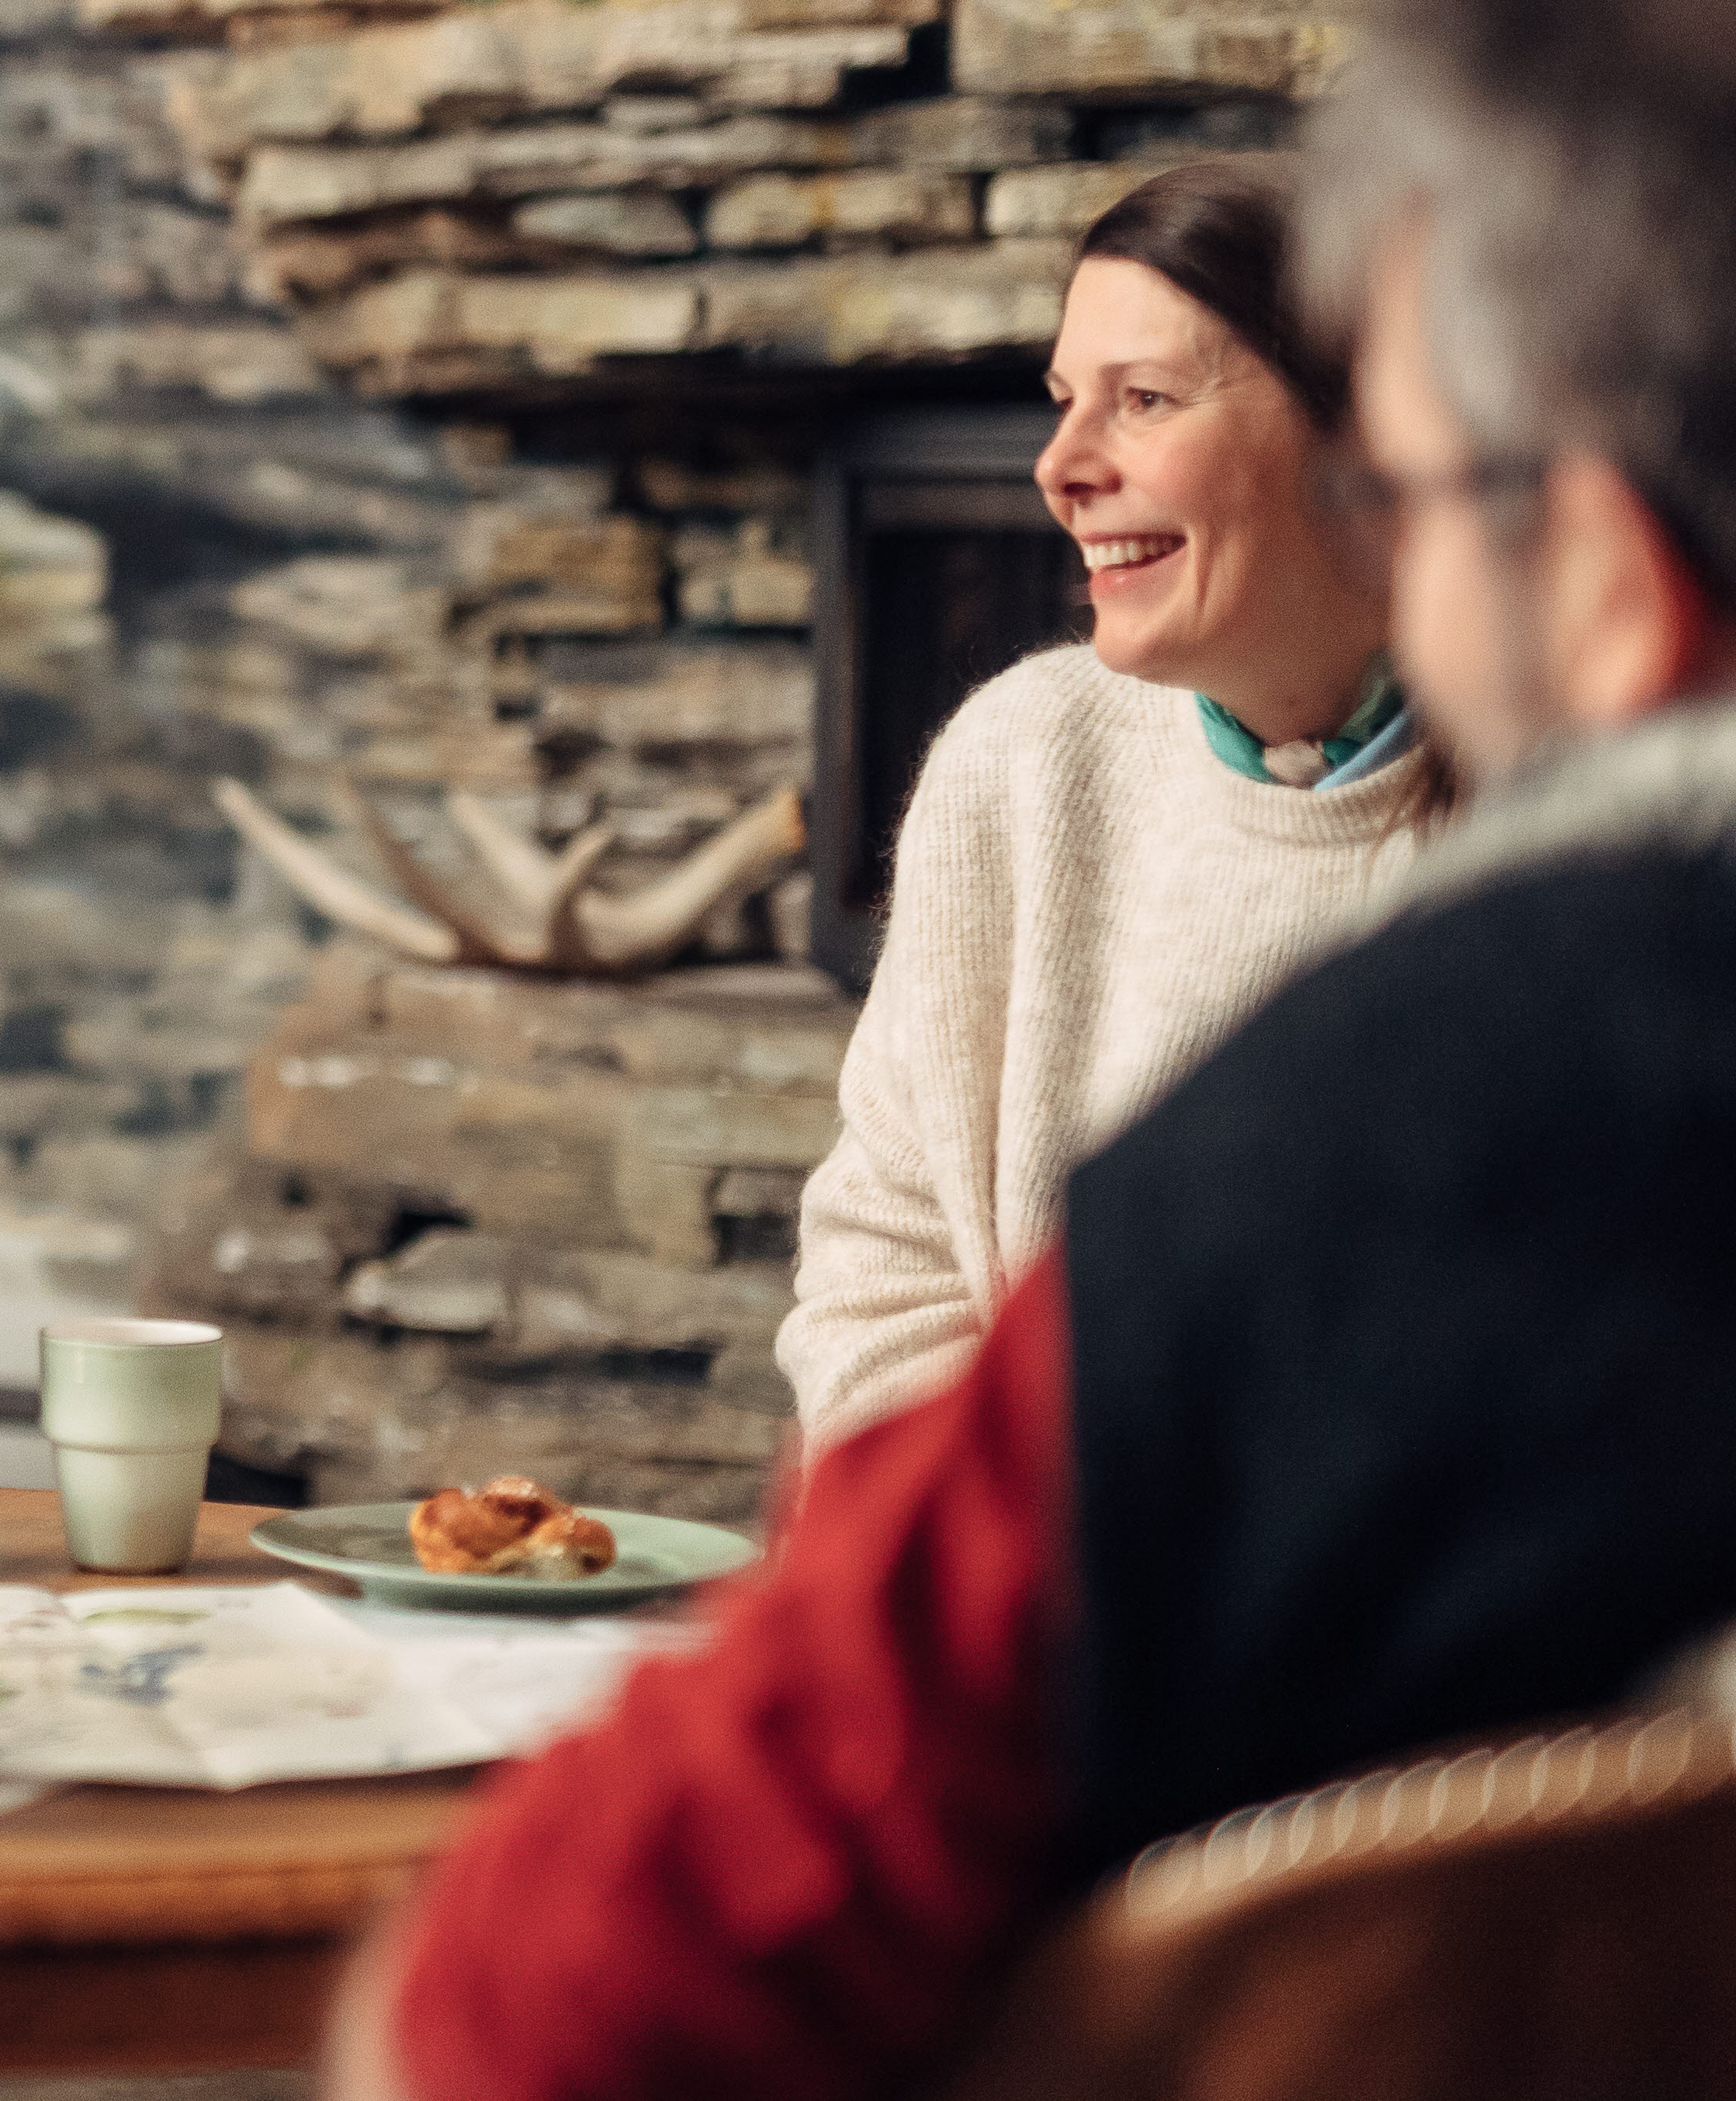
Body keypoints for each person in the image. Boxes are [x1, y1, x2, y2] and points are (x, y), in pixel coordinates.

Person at [326, 2, 1736, 2093]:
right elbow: (885, 1252)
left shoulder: (1413, 1124)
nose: (1065, 461)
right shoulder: (1048, 785)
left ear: (1611, 581)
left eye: (1421, 493)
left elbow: (522, 1995)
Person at [778, 158, 1437, 1447]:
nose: (1061, 467)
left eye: (1143, 401)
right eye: (1064, 403)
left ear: (1362, 433)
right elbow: (882, 1274)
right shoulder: (1019, 764)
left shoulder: (1588, 812)